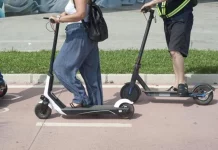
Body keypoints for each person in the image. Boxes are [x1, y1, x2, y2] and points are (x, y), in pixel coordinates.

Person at [49, 0, 103, 108]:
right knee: (90, 73)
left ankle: (80, 97)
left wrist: (60, 19)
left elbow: (80, 14)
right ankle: (96, 104)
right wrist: (59, 16)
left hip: (79, 33)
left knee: (60, 67)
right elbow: (71, 12)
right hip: (85, 33)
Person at [141, 0, 194, 96]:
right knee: (172, 52)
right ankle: (177, 84)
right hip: (169, 19)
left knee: (175, 50)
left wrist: (151, 3)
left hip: (181, 17)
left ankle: (182, 82)